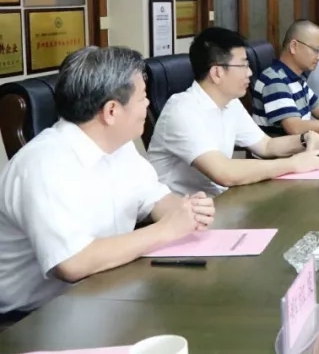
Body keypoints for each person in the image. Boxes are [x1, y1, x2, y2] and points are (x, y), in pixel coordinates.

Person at [0, 47, 215, 315]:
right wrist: (167, 230)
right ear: (111, 111)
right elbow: (73, 263)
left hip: (104, 289)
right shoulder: (42, 164)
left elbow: (154, 199)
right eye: (142, 98)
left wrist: (187, 211)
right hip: (34, 316)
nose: (148, 104)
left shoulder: (119, 146)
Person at [149, 27, 319, 197]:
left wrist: (305, 139)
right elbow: (224, 172)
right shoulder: (182, 111)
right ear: (217, 73)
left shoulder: (230, 102)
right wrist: (293, 164)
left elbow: (266, 146)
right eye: (243, 65)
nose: (249, 72)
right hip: (182, 213)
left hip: (220, 201)